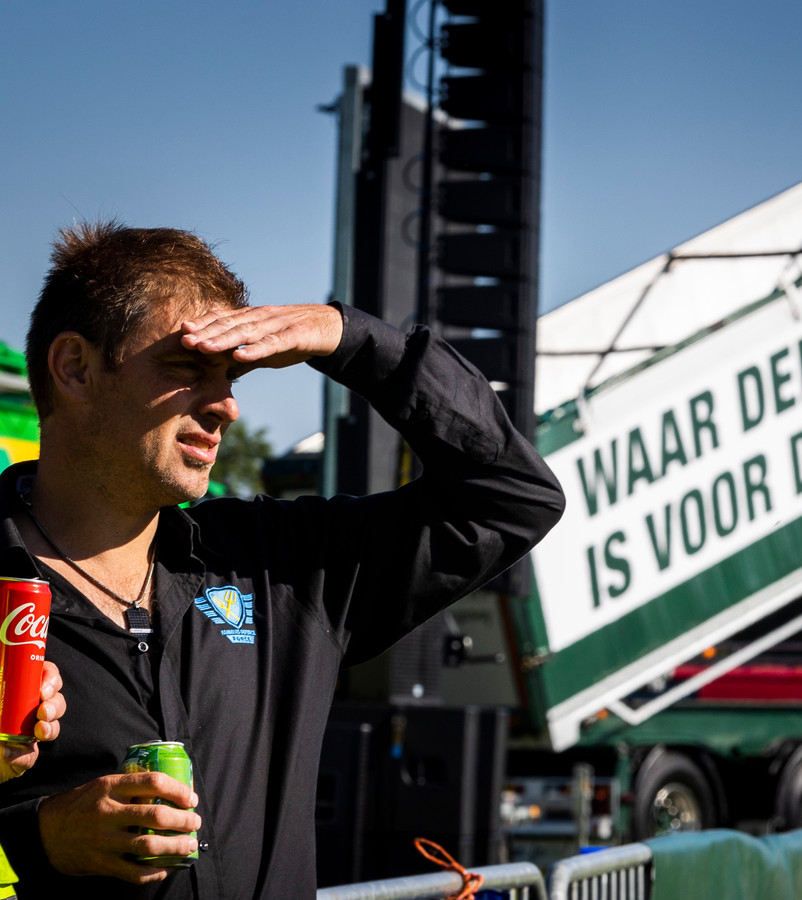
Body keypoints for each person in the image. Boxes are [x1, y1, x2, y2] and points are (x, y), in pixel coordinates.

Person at [0, 222, 566, 897]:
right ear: (75, 368)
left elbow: (511, 498)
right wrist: (40, 837)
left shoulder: (278, 565)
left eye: (234, 376)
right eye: (188, 368)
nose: (226, 407)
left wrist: (350, 339)